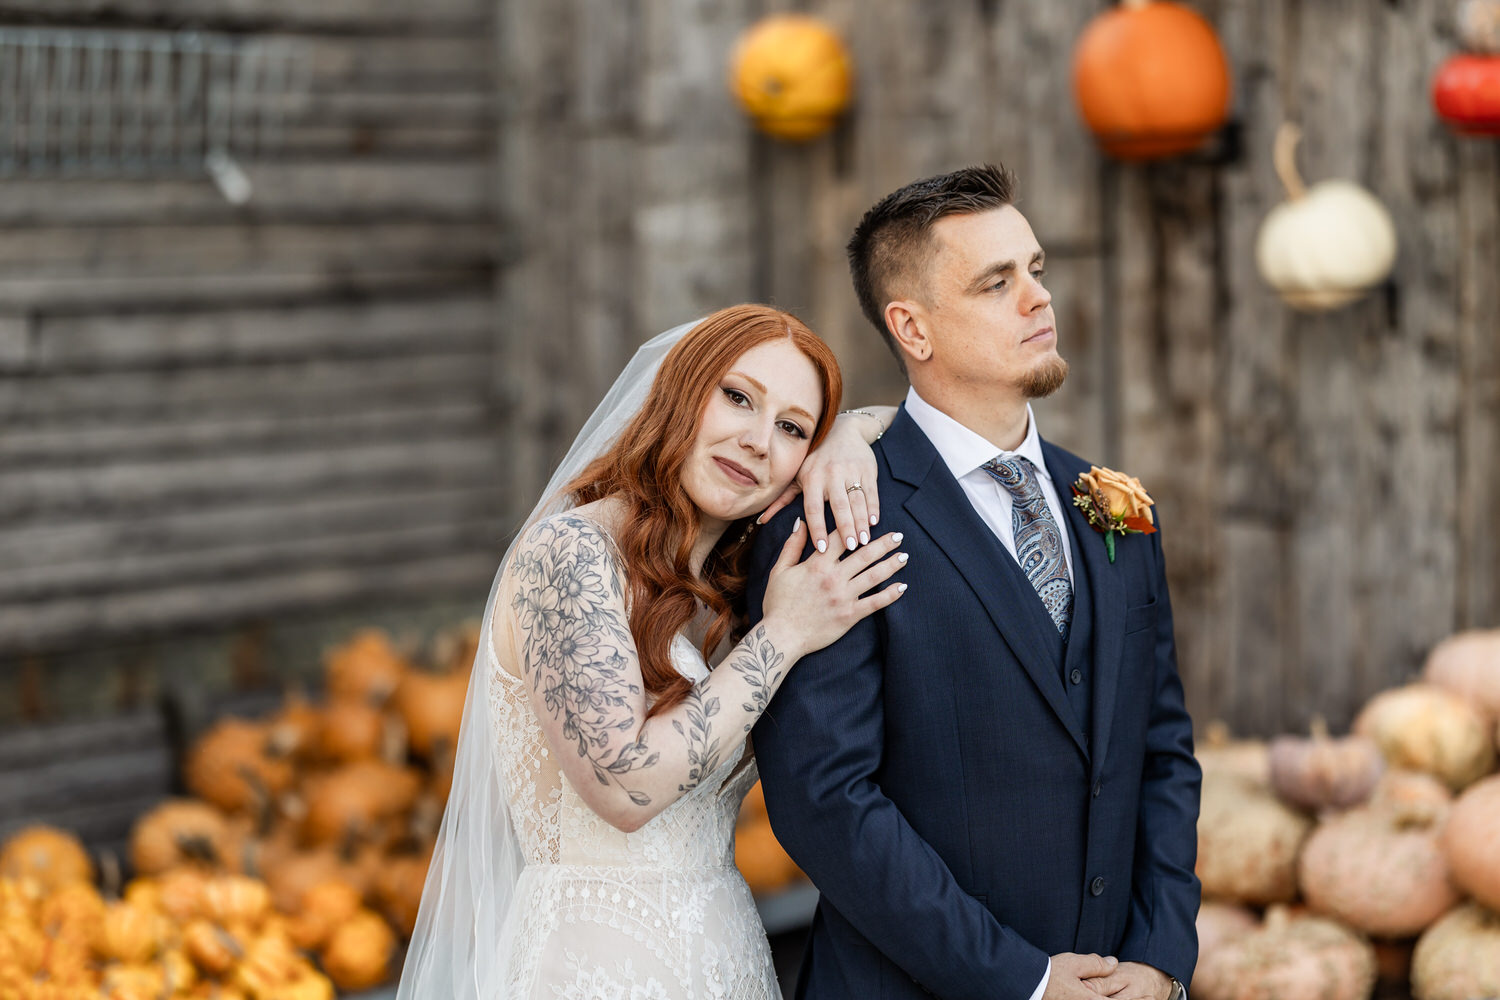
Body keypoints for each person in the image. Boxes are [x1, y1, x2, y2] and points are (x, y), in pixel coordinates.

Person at [747, 165, 1202, 1000]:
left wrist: (1162, 955)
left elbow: (1163, 751)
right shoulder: (838, 517)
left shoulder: (1116, 509)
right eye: (997, 283)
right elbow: (827, 801)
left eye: (1036, 271)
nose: (1038, 300)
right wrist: (1020, 980)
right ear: (911, 329)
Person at [395, 304, 907, 1000]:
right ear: (680, 392)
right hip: (590, 970)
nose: (758, 440)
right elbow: (625, 785)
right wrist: (785, 633)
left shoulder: (726, 592)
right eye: (737, 397)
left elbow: (917, 426)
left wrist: (851, 432)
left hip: (727, 957)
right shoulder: (570, 555)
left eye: (791, 428)